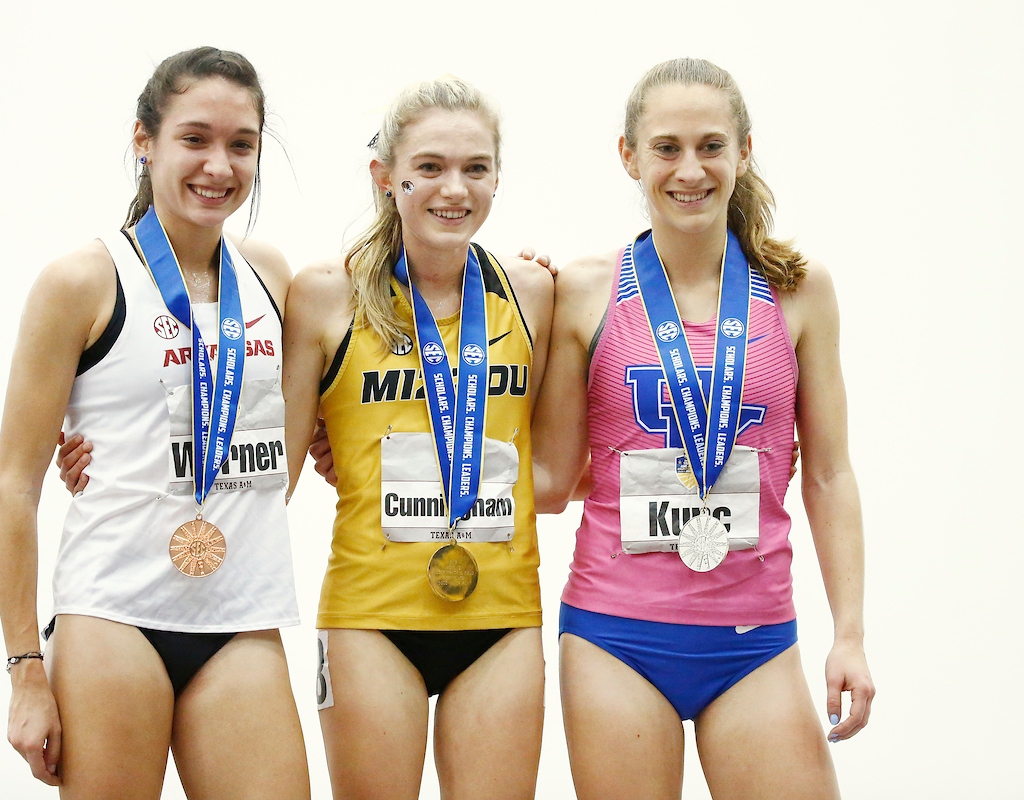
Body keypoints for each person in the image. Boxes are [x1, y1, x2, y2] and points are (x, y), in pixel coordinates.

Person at [531, 57, 874, 798]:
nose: (691, 169)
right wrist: (388, 458)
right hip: (614, 636)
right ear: (628, 156)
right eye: (666, 147)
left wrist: (849, 633)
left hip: (755, 643)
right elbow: (553, 481)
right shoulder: (585, 291)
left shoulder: (799, 290)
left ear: (745, 151)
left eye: (711, 146)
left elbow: (827, 472)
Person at [0, 47, 309, 798]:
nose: (219, 167)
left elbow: (342, 392)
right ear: (145, 141)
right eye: (194, 139)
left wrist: (526, 274)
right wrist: (24, 671)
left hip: (241, 613)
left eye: (241, 144)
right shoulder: (82, 282)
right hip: (113, 616)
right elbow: (12, 485)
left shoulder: (272, 275)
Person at [280, 77, 554, 800]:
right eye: (429, 167)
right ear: (385, 176)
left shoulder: (533, 291)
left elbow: (555, 470)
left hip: (502, 618)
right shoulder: (323, 295)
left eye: (475, 168)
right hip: (371, 617)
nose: (453, 189)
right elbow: (267, 474)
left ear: (498, 175)